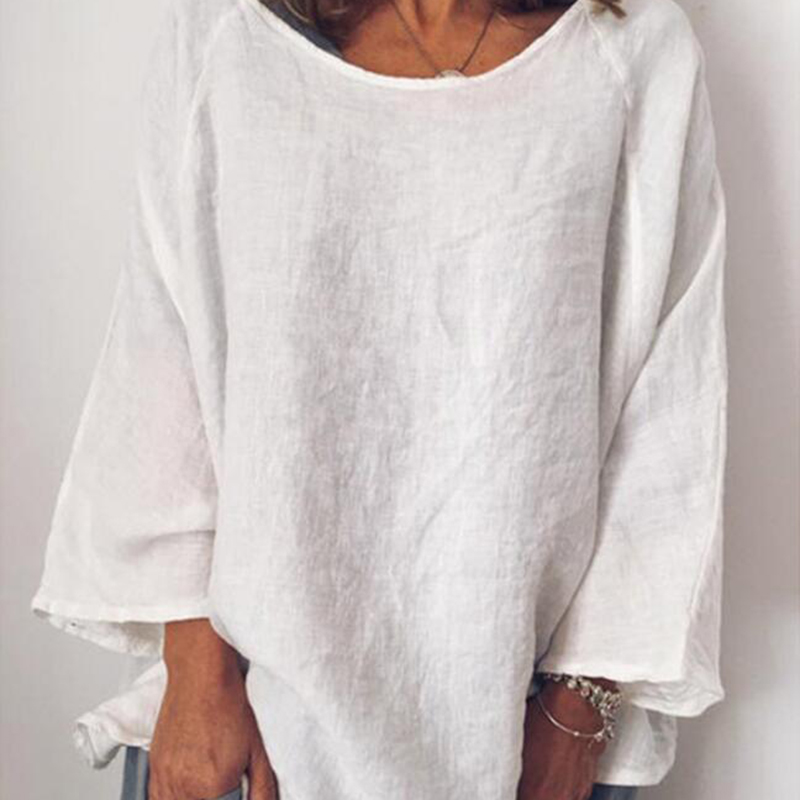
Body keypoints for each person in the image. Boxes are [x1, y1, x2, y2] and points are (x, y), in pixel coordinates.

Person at [30, 0, 729, 798]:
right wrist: (197, 672)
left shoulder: (633, 50)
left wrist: (578, 710)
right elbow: (164, 347)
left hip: (529, 735)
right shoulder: (228, 31)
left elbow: (669, 408)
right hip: (247, 728)